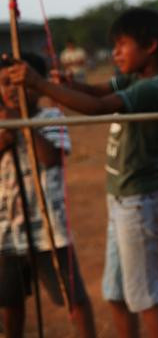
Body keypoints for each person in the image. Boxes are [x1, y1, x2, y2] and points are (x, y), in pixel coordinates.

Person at [9, 8, 158, 338]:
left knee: (144, 297)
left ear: (150, 46)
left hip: (138, 202)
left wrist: (40, 84)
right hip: (122, 201)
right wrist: (68, 85)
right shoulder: (133, 79)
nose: (114, 53)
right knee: (115, 294)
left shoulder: (153, 87)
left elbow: (99, 106)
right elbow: (97, 92)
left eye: (122, 45)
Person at [0, 53, 96, 338]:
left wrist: (22, 125)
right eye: (4, 83)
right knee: (9, 300)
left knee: (72, 296)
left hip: (48, 230)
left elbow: (51, 157)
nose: (12, 90)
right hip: (5, 230)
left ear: (37, 86)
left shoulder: (50, 117)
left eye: (21, 83)